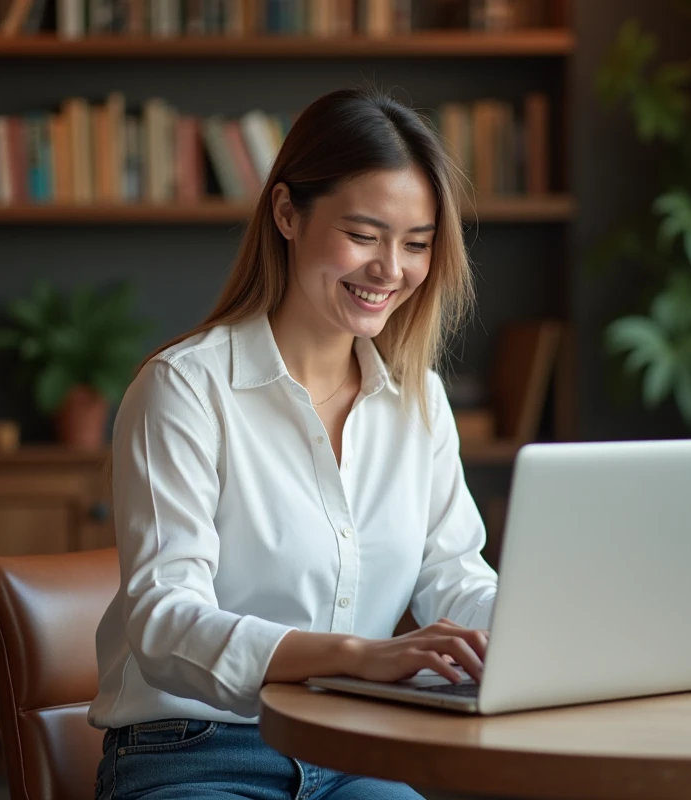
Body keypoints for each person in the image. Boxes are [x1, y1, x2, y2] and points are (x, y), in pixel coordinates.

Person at [88, 87, 498, 800]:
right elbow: (164, 623)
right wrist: (356, 656)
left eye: (416, 244)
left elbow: (457, 578)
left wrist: (545, 640)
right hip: (196, 749)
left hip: (355, 747)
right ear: (286, 213)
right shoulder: (185, 389)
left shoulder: (419, 400)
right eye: (364, 235)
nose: (391, 269)